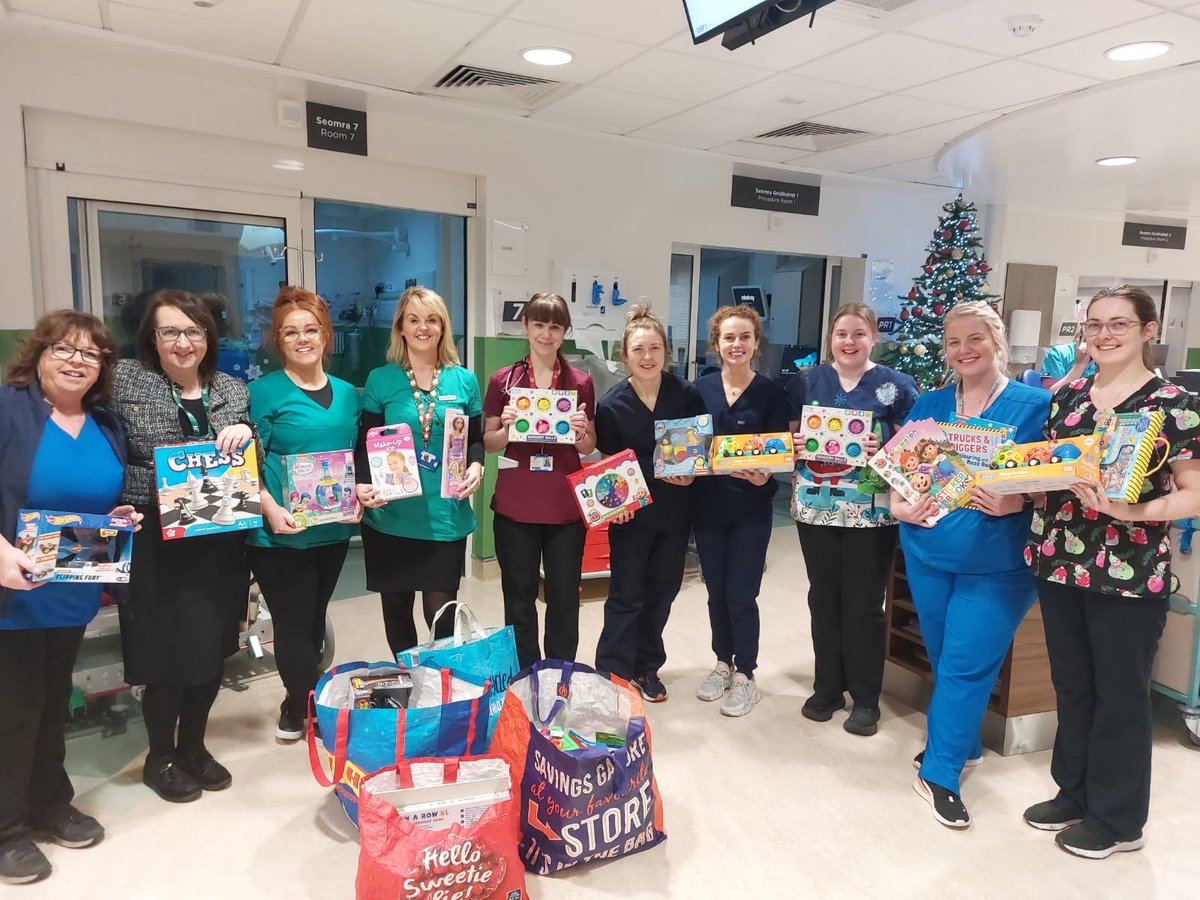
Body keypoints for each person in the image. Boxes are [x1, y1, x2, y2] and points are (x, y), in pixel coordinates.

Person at [1023, 285, 1200, 859]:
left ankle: (1118, 820)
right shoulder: (1067, 396)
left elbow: (1194, 494)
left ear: (1149, 330)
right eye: (1093, 324)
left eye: (1118, 324)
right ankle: (1073, 792)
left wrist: (1131, 511)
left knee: (1121, 694)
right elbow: (1052, 468)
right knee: (1074, 686)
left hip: (1128, 571)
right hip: (1058, 559)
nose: (1103, 335)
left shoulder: (1175, 405)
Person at [890, 301, 1050, 829]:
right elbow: (901, 475)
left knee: (965, 663)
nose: (964, 350)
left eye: (975, 339)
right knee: (945, 658)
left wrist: (1020, 501)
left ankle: (937, 773)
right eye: (954, 341)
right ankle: (963, 746)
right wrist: (900, 506)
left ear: (997, 340)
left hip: (998, 563)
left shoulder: (1035, 406)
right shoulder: (930, 403)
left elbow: (1062, 480)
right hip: (928, 552)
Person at [0, 312, 140, 885]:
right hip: (11, 593)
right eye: (64, 348)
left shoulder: (104, 422)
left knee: (55, 702)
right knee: (13, 712)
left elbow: (86, 500)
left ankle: (50, 802)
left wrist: (113, 522)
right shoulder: (9, 410)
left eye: (92, 353)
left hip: (70, 589)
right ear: (38, 353)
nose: (78, 360)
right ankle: (7, 831)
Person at [112, 290, 254, 803]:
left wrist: (246, 430)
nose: (182, 342)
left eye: (193, 331)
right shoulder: (125, 380)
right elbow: (106, 447)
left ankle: (194, 747)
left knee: (211, 651)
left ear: (208, 338)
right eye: (169, 331)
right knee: (166, 655)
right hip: (155, 541)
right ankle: (160, 757)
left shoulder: (232, 390)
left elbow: (249, 455)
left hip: (217, 541)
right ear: (152, 337)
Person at [787, 304, 918, 736]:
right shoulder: (809, 380)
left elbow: (913, 450)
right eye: (841, 333)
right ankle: (827, 687)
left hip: (871, 513)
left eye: (859, 334)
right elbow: (786, 439)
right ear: (831, 339)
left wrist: (883, 454)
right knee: (822, 599)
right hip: (816, 507)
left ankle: (865, 699)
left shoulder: (896, 386)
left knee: (863, 606)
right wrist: (795, 441)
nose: (849, 341)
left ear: (874, 338)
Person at [247, 287, 363, 742]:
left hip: (331, 530)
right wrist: (269, 507)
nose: (302, 339)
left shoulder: (349, 394)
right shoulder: (262, 392)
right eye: (290, 332)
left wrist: (356, 496)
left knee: (315, 620)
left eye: (310, 329)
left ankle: (298, 699)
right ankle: (304, 711)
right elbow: (247, 463)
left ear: (325, 335)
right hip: (281, 533)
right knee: (292, 625)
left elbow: (353, 456)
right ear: (279, 340)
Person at [355, 287, 484, 657]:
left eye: (431, 319)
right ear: (401, 328)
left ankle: (440, 686)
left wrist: (476, 464)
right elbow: (366, 442)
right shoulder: (382, 379)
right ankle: (408, 682)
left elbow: (474, 439)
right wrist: (363, 484)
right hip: (391, 515)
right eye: (413, 319)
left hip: (444, 515)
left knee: (440, 616)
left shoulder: (464, 380)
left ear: (443, 327)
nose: (422, 327)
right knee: (396, 613)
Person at [593, 306, 705, 701]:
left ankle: (646, 667)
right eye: (638, 349)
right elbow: (608, 467)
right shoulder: (610, 405)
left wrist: (693, 473)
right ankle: (612, 670)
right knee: (626, 593)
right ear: (625, 355)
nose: (647, 356)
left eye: (654, 348)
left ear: (665, 352)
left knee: (663, 590)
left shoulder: (686, 394)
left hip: (676, 512)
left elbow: (698, 452)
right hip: (631, 516)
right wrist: (614, 502)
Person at [483, 292, 596, 669]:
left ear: (564, 331)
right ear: (526, 327)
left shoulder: (580, 382)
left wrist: (580, 431)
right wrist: (509, 427)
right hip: (517, 506)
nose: (546, 334)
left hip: (564, 507)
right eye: (538, 325)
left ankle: (560, 673)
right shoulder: (504, 381)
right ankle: (525, 671)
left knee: (564, 596)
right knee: (519, 595)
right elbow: (489, 442)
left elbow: (588, 443)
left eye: (554, 326)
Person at [692, 304, 791, 717]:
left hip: (751, 508)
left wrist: (764, 477)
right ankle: (721, 662)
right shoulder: (700, 389)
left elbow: (782, 454)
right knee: (715, 590)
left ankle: (746, 674)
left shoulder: (771, 392)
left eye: (744, 337)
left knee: (741, 593)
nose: (737, 344)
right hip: (708, 507)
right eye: (729, 337)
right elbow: (686, 445)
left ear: (755, 343)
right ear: (716, 344)